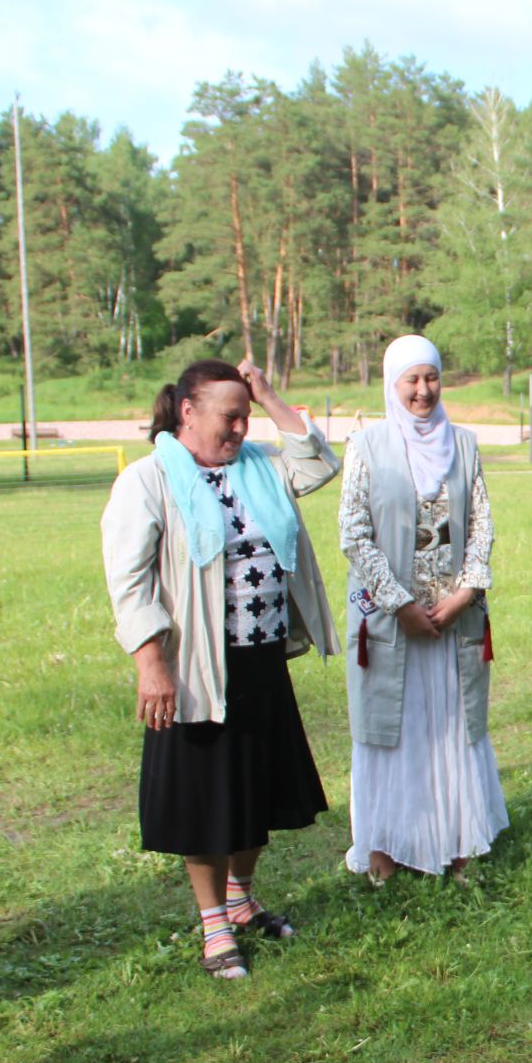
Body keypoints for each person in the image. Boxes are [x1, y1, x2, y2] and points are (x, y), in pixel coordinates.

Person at [101, 357, 340, 980]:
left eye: (244, 415)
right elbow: (129, 583)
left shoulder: (257, 467)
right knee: (205, 798)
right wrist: (151, 664)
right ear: (188, 411)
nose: (238, 428)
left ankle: (240, 898)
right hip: (195, 667)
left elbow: (318, 463)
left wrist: (268, 395)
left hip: (260, 658)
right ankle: (213, 925)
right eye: (228, 416)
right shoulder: (149, 480)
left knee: (256, 789)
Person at [340, 335, 507, 885]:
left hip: (452, 620)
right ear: (393, 384)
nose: (422, 390)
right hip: (394, 623)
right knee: (392, 727)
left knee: (451, 723)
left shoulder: (463, 442)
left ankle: (457, 842)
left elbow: (481, 523)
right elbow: (354, 534)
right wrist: (400, 603)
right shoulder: (366, 446)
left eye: (431, 377)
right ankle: (384, 847)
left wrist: (465, 593)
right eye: (411, 379)